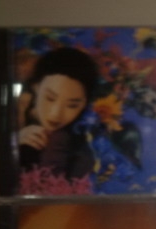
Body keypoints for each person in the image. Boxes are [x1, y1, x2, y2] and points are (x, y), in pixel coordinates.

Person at [18, 47, 98, 181]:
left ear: (84, 105)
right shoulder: (11, 118)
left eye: (72, 105)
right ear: (36, 88)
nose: (55, 115)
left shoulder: (80, 153)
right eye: (50, 98)